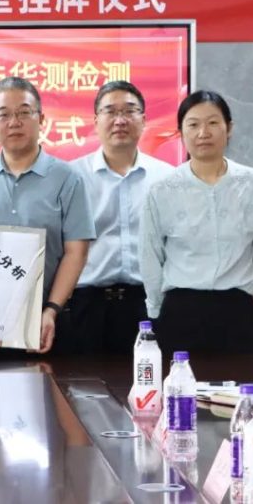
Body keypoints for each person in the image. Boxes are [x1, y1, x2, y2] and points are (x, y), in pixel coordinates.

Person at [0, 77, 94, 354]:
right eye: (4, 115)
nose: (14, 122)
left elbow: (77, 252)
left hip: (45, 322)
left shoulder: (68, 178)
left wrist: (51, 310)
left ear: (41, 118)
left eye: (24, 113)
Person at [141, 90, 253, 359]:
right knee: (180, 384)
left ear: (229, 128)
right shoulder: (161, 190)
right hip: (180, 311)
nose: (203, 132)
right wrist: (155, 309)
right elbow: (150, 255)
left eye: (213, 123)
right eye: (193, 124)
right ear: (181, 132)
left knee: (243, 383)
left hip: (238, 310)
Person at [66, 80, 173, 354]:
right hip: (86, 305)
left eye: (129, 111)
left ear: (144, 120)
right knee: (83, 380)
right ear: (95, 121)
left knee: (149, 378)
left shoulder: (167, 178)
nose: (120, 120)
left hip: (148, 305)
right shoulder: (71, 177)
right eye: (110, 111)